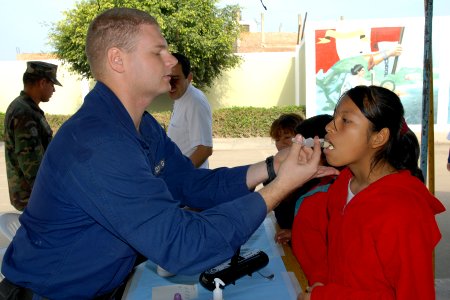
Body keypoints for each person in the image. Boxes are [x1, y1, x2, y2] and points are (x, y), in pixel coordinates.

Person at [0, 8, 338, 299]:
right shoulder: (98, 144)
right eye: (158, 52)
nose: (172, 60)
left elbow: (190, 184)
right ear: (118, 59)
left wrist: (271, 167)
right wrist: (280, 189)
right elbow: (181, 245)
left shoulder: (140, 125)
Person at [291, 85, 445, 299]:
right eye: (334, 117)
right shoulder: (342, 186)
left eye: (345, 121)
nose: (328, 127)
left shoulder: (404, 211)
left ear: (378, 138)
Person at [4, 61, 62, 211]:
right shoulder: (24, 113)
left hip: (35, 195)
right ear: (42, 82)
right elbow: (32, 166)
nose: (54, 90)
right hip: (34, 198)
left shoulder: (27, 108)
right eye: (52, 84)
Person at [274, 114, 335, 245]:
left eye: (302, 146)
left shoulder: (330, 185)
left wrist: (296, 233)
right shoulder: (303, 175)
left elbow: (333, 233)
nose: (297, 151)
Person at [167, 53, 213, 168]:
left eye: (176, 79)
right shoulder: (180, 97)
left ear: (189, 78)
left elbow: (205, 149)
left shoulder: (195, 102)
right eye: (168, 78)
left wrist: (180, 175)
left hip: (191, 182)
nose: (170, 85)